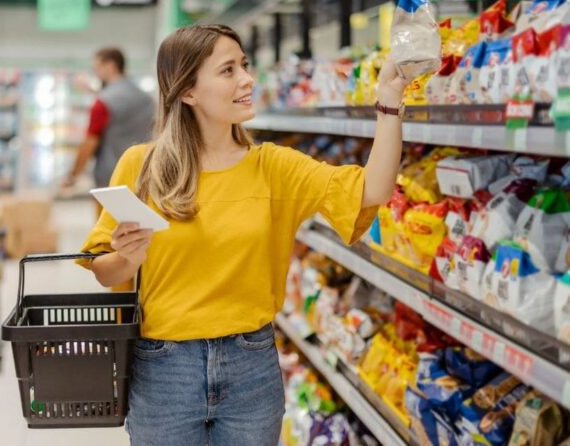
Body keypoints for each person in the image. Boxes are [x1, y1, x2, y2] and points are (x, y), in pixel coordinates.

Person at [79, 25, 411, 445]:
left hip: (251, 367)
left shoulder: (273, 167)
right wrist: (127, 257)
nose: (247, 79)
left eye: (245, 66)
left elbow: (373, 190)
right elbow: (105, 273)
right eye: (228, 70)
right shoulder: (143, 166)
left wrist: (391, 102)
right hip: (164, 368)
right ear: (188, 92)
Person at [63, 47, 155, 193]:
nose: (95, 73)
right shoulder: (146, 99)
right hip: (144, 175)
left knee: (108, 216)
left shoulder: (102, 103)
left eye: (97, 68)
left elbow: (90, 142)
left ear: (110, 66)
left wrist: (72, 175)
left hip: (111, 180)